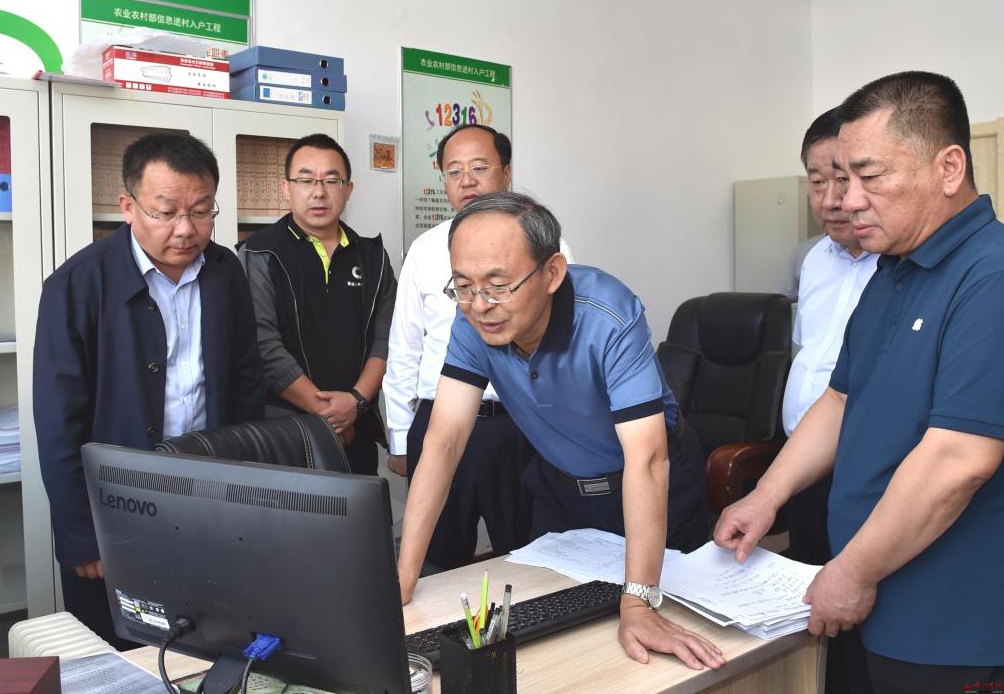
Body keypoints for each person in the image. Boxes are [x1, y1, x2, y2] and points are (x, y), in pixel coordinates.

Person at [715, 71, 1004, 693]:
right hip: (864, 595)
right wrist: (766, 496)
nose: (846, 201)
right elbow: (840, 398)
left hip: (947, 624)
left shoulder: (991, 274)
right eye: (840, 179)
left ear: (949, 168)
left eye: (869, 177)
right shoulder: (893, 270)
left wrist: (852, 572)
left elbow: (960, 459)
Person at [398, 192, 722, 669]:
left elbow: (648, 459)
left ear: (551, 272)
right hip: (560, 493)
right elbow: (444, 441)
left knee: (658, 650)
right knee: (555, 641)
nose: (479, 305)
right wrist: (404, 575)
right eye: (463, 286)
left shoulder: (608, 314)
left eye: (498, 285)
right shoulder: (473, 324)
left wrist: (638, 603)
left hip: (650, 491)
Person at [33, 132, 264, 647]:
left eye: (201, 211)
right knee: (120, 650)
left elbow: (247, 384)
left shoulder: (225, 272)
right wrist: (80, 534)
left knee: (209, 642)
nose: (186, 229)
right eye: (166, 212)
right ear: (128, 206)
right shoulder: (77, 285)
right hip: (116, 511)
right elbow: (57, 424)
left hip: (210, 501)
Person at [384, 124, 572, 571]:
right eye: (454, 171)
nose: (466, 181)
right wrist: (399, 435)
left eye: (479, 168)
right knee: (434, 559)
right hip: (440, 421)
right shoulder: (425, 249)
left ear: (506, 173)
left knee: (530, 556)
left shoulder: (546, 245)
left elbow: (566, 341)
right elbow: (405, 346)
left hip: (520, 423)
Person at [784, 109, 877, 694]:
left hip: (865, 468)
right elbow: (809, 354)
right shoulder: (812, 259)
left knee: (860, 605)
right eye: (818, 181)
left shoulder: (898, 265)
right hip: (802, 459)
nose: (833, 199)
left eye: (844, 179)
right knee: (806, 602)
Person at [239, 133, 396, 475]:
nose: (319, 192)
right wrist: (329, 416)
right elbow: (264, 346)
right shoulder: (260, 252)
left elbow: (386, 341)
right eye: (306, 180)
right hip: (283, 434)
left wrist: (355, 402)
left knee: (359, 509)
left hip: (356, 430)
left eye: (331, 180)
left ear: (348, 189)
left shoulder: (373, 257)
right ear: (286, 188)